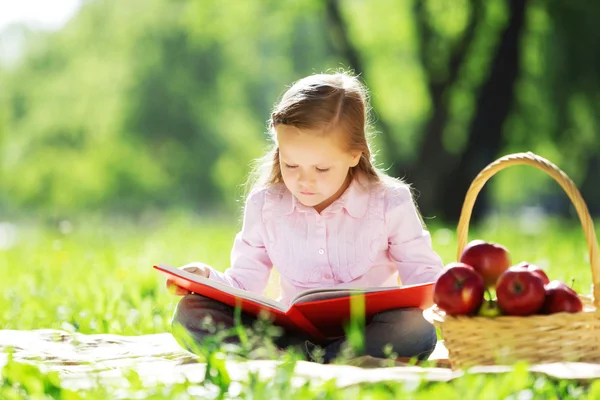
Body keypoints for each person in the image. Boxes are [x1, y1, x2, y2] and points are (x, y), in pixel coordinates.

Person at [167, 71, 444, 363]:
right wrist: (205, 278)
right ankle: (308, 357)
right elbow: (243, 284)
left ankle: (293, 360)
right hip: (287, 333)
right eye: (291, 165)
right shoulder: (265, 205)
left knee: (415, 330)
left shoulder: (390, 202)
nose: (304, 182)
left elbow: (425, 278)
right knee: (190, 313)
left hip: (368, 332)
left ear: (354, 154)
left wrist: (450, 289)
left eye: (321, 169)